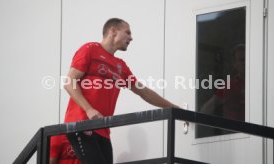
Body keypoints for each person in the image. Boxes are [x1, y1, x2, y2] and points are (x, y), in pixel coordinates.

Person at [63, 18, 180, 164]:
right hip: (82, 124)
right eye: (128, 32)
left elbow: (144, 92)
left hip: (103, 129)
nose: (131, 37)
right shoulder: (90, 49)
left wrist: (174, 108)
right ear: (113, 31)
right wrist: (89, 109)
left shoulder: (120, 65)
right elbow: (69, 82)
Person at [200, 44, 245, 121]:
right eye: (241, 60)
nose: (245, 62)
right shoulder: (229, 85)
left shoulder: (259, 83)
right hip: (235, 131)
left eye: (247, 59)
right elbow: (207, 108)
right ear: (234, 64)